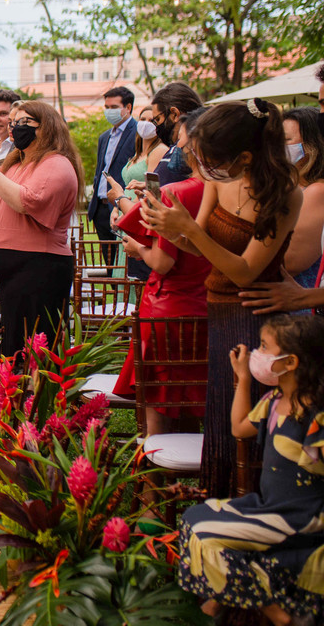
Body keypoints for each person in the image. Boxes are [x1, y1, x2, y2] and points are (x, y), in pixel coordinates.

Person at [144, 99, 302, 499]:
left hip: (257, 313)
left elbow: (245, 270)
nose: (206, 168)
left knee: (251, 412)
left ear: (245, 156)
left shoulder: (285, 193)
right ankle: (221, 495)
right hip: (218, 308)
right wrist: (170, 229)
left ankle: (257, 500)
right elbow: (201, 249)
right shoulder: (218, 181)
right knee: (222, 407)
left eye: (214, 159)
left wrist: (190, 233)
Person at [177, 314, 324, 626]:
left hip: (299, 515)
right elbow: (240, 427)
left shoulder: (313, 415)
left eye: (264, 347)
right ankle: (220, 605)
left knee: (205, 538)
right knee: (194, 518)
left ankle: (271, 612)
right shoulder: (274, 400)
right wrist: (243, 379)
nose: (256, 353)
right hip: (269, 505)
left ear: (291, 362)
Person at [0, 100, 82, 357]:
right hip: (11, 274)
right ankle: (15, 396)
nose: (16, 128)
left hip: (40, 268)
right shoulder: (13, 165)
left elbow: (26, 201)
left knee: (39, 346)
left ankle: (39, 395)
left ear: (46, 127)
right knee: (15, 346)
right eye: (14, 123)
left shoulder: (57, 164)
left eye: (24, 122)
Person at [113, 110, 211, 435]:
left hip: (169, 306)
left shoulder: (177, 192)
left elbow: (162, 262)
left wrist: (136, 249)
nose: (175, 149)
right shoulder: (222, 191)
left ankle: (152, 482)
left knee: (156, 404)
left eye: (180, 141)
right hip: (207, 302)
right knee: (196, 396)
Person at [107, 105, 168, 282]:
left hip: (139, 213)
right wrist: (116, 209)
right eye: (142, 120)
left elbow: (153, 189)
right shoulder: (137, 154)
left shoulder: (159, 151)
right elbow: (126, 186)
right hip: (125, 210)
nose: (146, 124)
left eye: (152, 120)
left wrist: (121, 202)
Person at [88, 87, 137, 262]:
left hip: (123, 207)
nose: (109, 111)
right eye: (106, 107)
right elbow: (100, 170)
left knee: (123, 263)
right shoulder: (105, 137)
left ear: (128, 107)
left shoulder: (138, 133)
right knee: (109, 264)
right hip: (100, 208)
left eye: (114, 107)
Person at [281, 107, 324, 289]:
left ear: (312, 146)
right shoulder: (290, 185)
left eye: (287, 140)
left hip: (299, 304)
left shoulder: (316, 191)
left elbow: (291, 262)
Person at [150, 82, 204, 186]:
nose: (156, 126)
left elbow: (160, 197)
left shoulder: (180, 152)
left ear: (174, 114)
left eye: (158, 119)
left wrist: (120, 197)